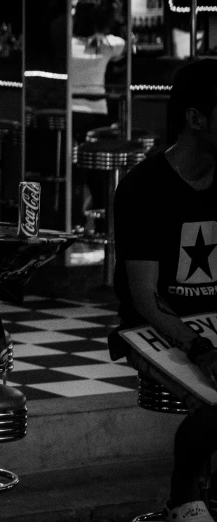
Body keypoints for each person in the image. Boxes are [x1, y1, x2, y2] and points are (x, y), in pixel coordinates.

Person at [111, 58, 217, 522]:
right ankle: (183, 495)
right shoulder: (145, 187)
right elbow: (144, 297)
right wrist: (200, 347)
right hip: (154, 325)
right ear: (196, 118)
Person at [71, 0, 126, 225]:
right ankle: (105, 225)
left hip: (70, 115)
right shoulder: (109, 44)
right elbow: (129, 44)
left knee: (73, 170)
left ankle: (73, 220)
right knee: (98, 176)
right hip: (96, 115)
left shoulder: (69, 44)